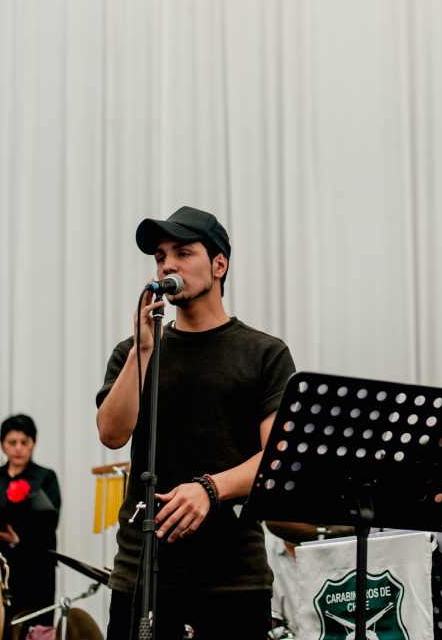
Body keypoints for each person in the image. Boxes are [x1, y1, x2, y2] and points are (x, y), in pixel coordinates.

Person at [96, 205, 296, 639]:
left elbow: (275, 457)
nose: (168, 264)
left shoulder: (263, 353)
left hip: (231, 575)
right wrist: (143, 351)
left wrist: (210, 488)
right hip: (142, 571)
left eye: (183, 252)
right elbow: (111, 434)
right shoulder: (134, 350)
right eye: (160, 256)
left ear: (219, 264)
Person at [0, 414, 62, 633]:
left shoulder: (45, 477)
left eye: (24, 442)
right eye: (12, 443)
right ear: (2, 445)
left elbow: (50, 522)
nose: (18, 448)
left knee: (31, 629)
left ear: (33, 444)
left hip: (34, 567)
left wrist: (17, 539)